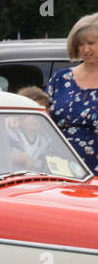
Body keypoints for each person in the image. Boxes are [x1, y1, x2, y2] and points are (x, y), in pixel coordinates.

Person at [46, 13, 98, 170]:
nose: (85, 49)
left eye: (91, 43)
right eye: (80, 44)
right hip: (59, 168)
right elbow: (43, 118)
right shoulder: (61, 78)